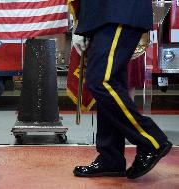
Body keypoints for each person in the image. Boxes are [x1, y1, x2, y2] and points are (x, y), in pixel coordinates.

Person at [72, 0, 172, 179]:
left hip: (118, 10)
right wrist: (84, 23)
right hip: (105, 14)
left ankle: (152, 139)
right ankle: (110, 157)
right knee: (111, 83)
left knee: (101, 81)